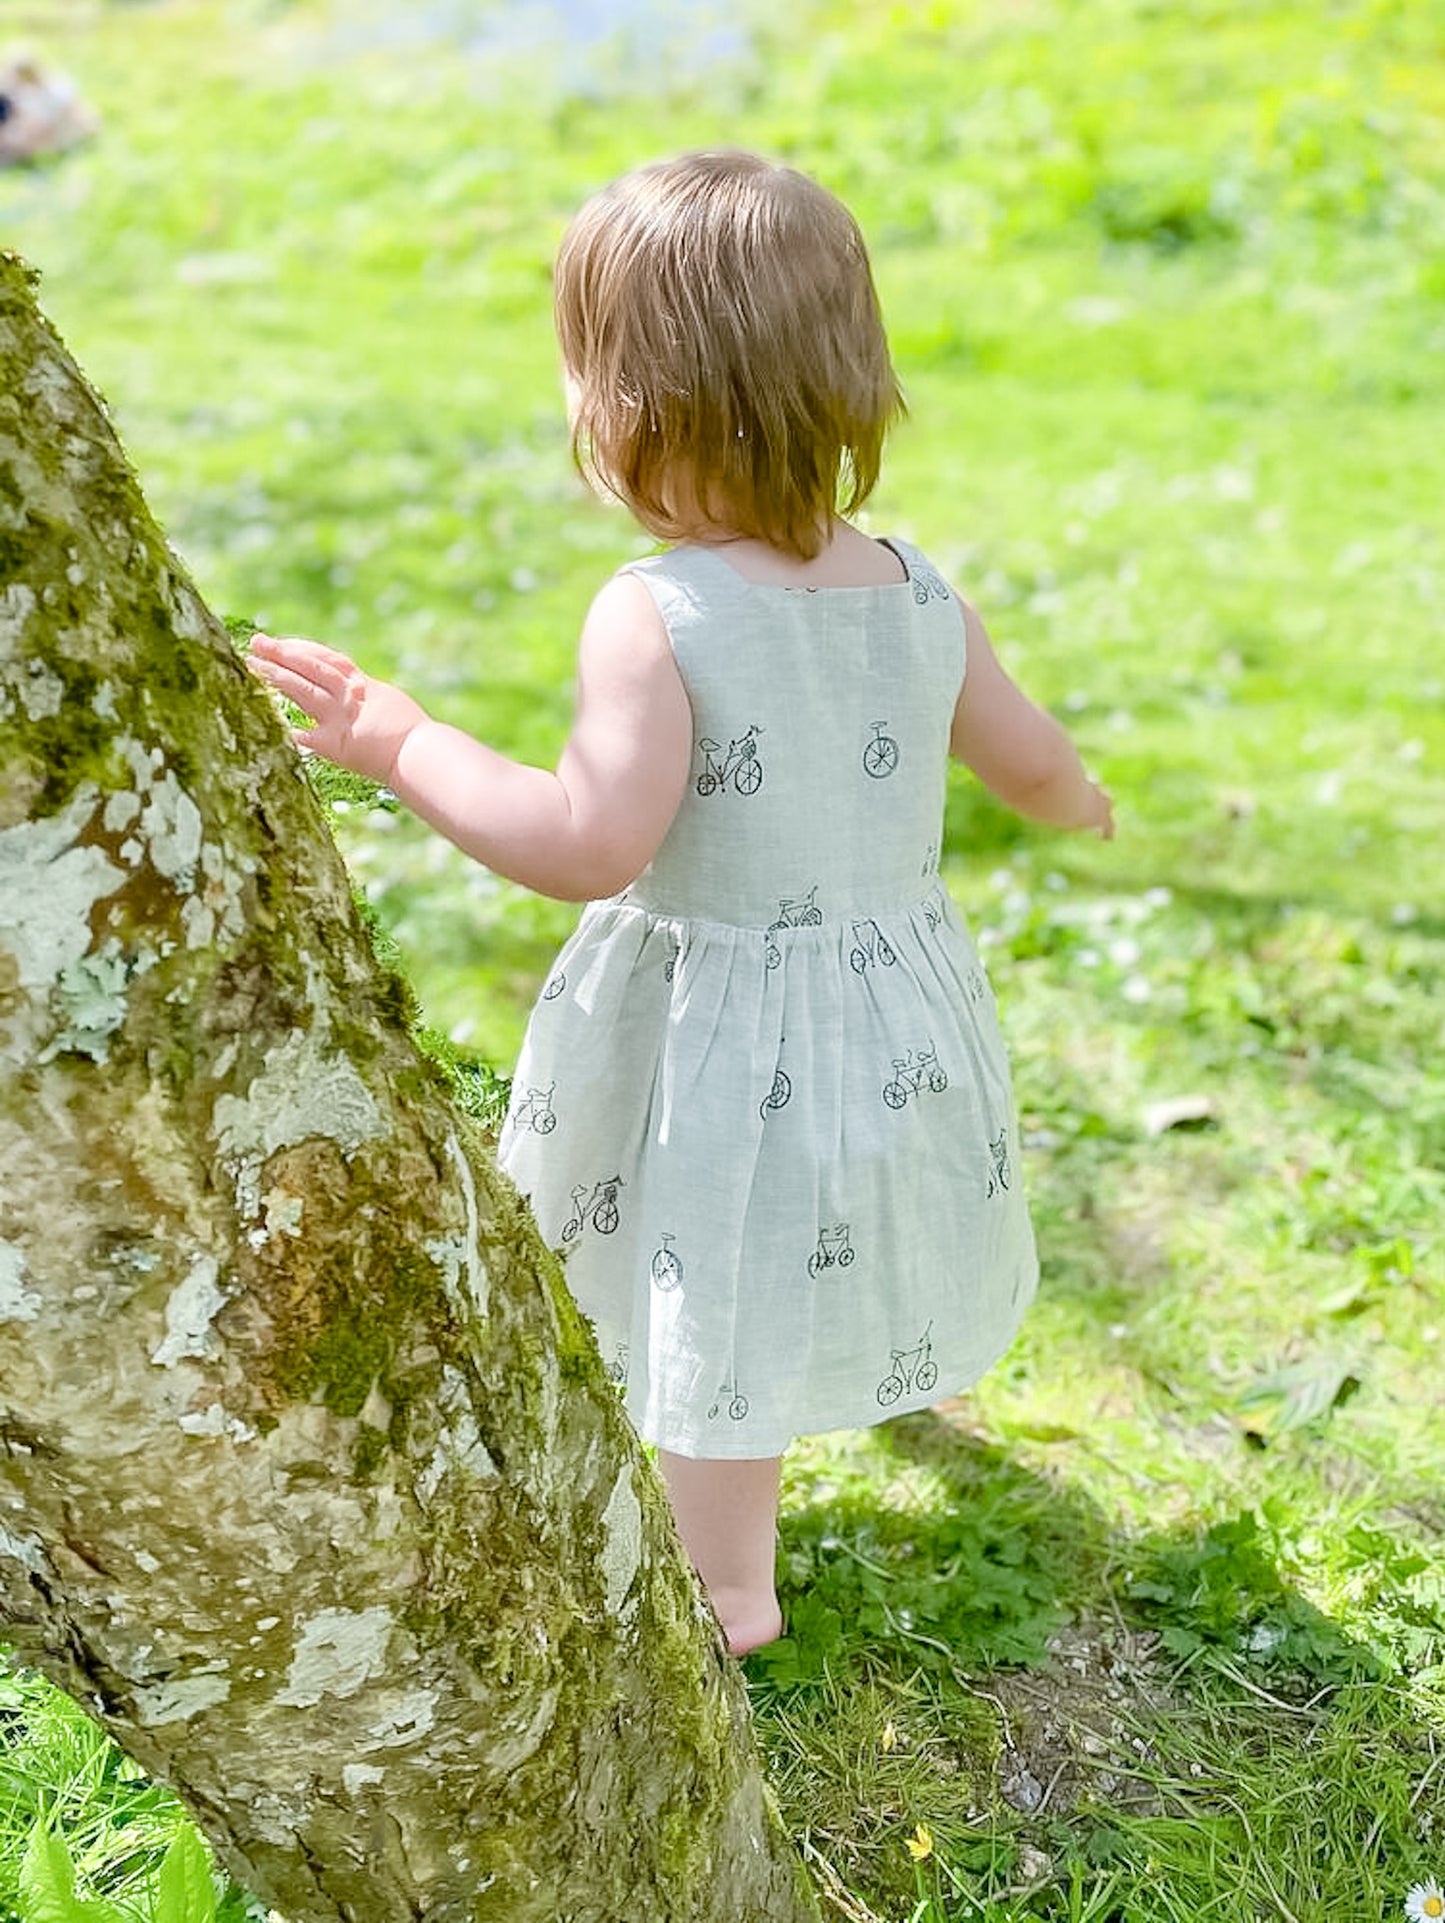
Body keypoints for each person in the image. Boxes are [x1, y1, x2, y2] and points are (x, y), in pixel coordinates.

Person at [250, 149, 1114, 1658]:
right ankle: (872, 1368)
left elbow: (587, 838)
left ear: (624, 405)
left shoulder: (655, 614)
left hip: (725, 1030)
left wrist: (400, 742)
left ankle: (726, 1587)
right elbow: (1030, 761)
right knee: (839, 1205)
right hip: (892, 1001)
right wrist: (1079, 803)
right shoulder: (919, 592)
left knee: (716, 1262)